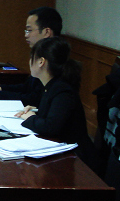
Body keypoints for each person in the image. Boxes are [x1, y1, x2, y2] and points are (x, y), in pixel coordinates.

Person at [15, 37, 97, 171]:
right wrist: (36, 110)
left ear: (41, 62)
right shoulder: (51, 86)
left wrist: (30, 118)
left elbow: (50, 127)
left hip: (75, 159)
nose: (29, 61)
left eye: (32, 58)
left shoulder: (62, 90)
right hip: (62, 151)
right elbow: (55, 114)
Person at [0, 6, 62, 106]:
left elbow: (35, 99)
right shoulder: (43, 54)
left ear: (46, 32)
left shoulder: (54, 60)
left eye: (29, 30)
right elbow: (27, 87)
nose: (26, 35)